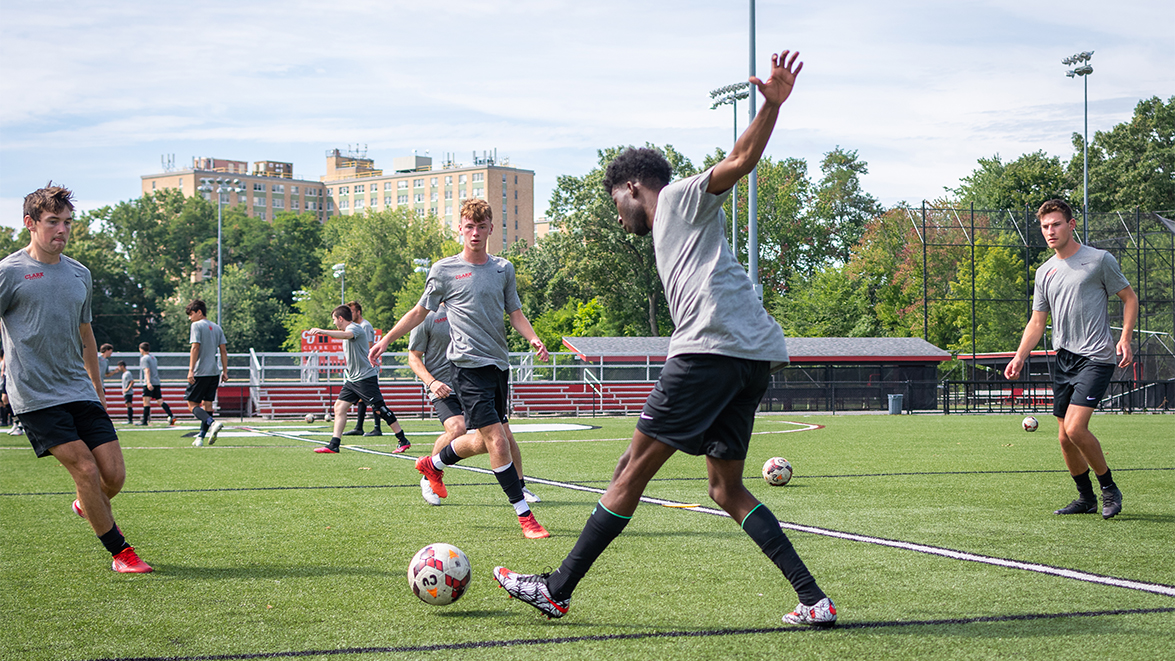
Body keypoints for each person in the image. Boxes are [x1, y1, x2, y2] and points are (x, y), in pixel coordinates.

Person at [492, 50, 835, 626]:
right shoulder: (673, 229)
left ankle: (557, 588)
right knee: (726, 490)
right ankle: (813, 599)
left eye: (615, 203)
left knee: (630, 468)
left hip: (710, 348)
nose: (618, 215)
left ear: (632, 186)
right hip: (750, 357)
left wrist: (770, 107)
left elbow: (739, 159)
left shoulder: (676, 198)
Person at [370, 198, 551, 540]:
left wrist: (533, 338)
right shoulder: (443, 270)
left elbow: (515, 313)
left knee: (485, 442)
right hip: (466, 367)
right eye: (469, 226)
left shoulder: (503, 269)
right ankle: (525, 517)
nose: (475, 233)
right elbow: (418, 312)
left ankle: (432, 464)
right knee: (498, 441)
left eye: (482, 227)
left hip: (498, 366)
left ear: (491, 230)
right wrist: (387, 339)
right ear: (460, 229)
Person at [0, 183, 152, 572]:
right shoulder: (9, 272)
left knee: (113, 476)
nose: (62, 230)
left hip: (78, 388)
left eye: (67, 222)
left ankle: (87, 504)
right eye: (53, 222)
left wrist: (97, 387)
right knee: (84, 468)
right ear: (29, 224)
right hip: (34, 393)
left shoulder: (80, 274)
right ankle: (122, 553)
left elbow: (86, 334)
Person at [1004, 199, 1137, 520]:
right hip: (1064, 359)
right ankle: (1086, 498)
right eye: (1045, 226)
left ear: (1071, 224)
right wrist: (1020, 356)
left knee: (1076, 429)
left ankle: (1109, 488)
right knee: (1064, 437)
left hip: (1097, 357)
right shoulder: (1044, 272)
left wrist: (1125, 338)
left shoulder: (1099, 260)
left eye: (1056, 224)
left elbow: (1129, 297)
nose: (1050, 231)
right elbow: (1037, 322)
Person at [407, 302, 540, 506]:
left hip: (473, 383)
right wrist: (431, 382)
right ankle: (429, 477)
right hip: (443, 386)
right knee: (457, 428)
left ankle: (520, 487)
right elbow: (413, 357)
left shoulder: (470, 309)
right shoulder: (427, 316)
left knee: (504, 434)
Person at [307, 305, 411, 454]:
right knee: (339, 407)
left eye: (334, 320)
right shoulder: (349, 329)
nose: (334, 323)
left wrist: (323, 331)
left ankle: (402, 440)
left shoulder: (355, 329)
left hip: (365, 378)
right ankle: (334, 444)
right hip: (353, 380)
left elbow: (346, 335)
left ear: (340, 318)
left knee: (380, 409)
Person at [184, 300, 228, 447]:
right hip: (214, 372)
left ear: (199, 312)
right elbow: (223, 351)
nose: (190, 318)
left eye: (191, 314)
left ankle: (212, 423)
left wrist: (191, 370)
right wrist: (225, 371)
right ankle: (200, 438)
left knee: (192, 405)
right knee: (207, 405)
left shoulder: (196, 325)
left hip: (200, 372)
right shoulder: (217, 327)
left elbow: (195, 347)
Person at [343, 300, 384, 438]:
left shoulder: (364, 326)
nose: (350, 314)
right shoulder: (353, 326)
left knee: (372, 397)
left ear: (358, 312)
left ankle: (377, 427)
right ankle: (359, 427)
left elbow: (369, 346)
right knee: (362, 398)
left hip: (367, 367)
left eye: (352, 311)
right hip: (359, 369)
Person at [137, 342, 175, 427]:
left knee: (146, 402)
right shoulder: (153, 357)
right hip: (156, 382)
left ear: (141, 349)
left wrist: (148, 382)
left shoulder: (144, 358)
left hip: (150, 382)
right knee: (160, 400)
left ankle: (144, 420)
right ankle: (171, 415)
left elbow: (147, 370)